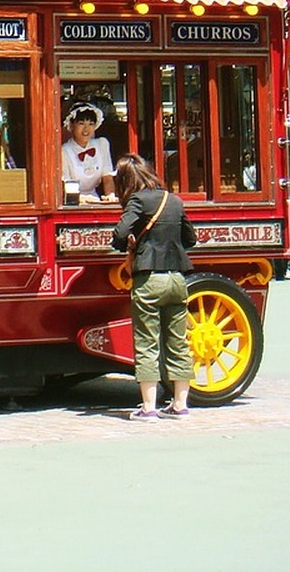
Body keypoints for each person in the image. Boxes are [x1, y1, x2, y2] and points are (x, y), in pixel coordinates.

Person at [110, 153, 196, 420]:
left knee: (147, 342)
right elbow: (190, 238)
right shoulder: (174, 200)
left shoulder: (138, 200)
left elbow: (119, 234)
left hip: (149, 279)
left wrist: (130, 245)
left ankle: (149, 408)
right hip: (177, 278)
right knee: (178, 342)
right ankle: (180, 405)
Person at [60, 102, 117, 203]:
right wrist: (83, 199)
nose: (86, 129)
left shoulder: (102, 144)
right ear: (72, 126)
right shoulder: (64, 151)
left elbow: (107, 177)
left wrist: (110, 196)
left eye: (91, 124)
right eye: (81, 123)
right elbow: (67, 188)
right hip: (74, 204)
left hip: (97, 201)